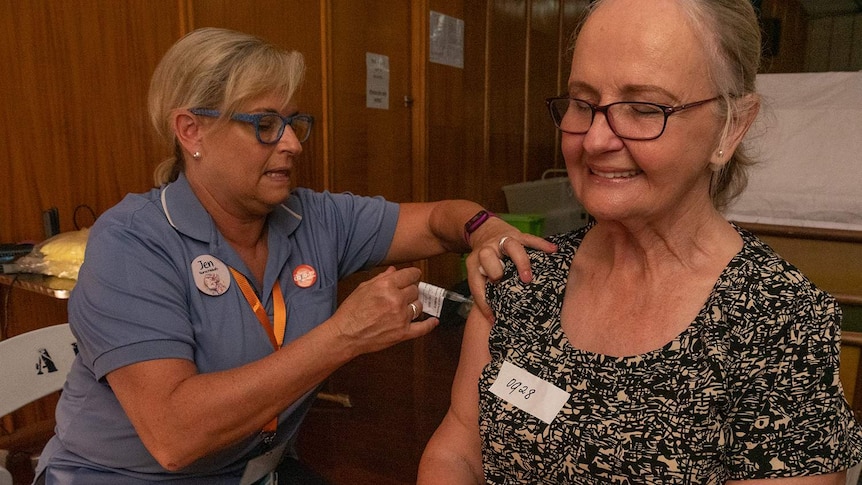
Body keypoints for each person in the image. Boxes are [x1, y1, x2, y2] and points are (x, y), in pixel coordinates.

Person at [32, 27, 555, 484]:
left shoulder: (313, 218)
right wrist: (344, 336)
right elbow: (175, 436)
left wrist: (486, 228)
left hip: (259, 472)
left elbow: (442, 218)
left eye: (293, 122)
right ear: (191, 130)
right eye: (264, 125)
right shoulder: (131, 241)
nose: (292, 144)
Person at [418, 0, 862, 483]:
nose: (593, 141)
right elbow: (458, 450)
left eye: (644, 109)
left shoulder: (776, 320)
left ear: (732, 126)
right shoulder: (526, 276)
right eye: (583, 104)